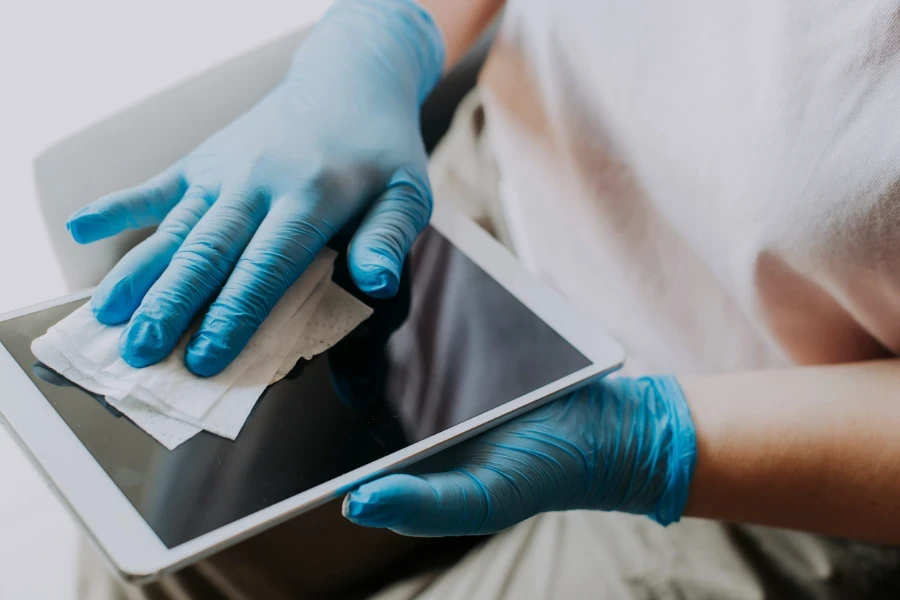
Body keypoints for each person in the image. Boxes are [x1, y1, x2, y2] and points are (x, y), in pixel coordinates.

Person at [68, 0, 900, 597]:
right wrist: (379, 36)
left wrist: (643, 444)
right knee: (147, 544)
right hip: (486, 226)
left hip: (778, 466)